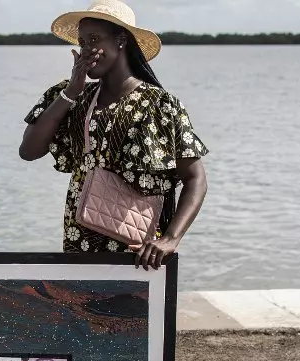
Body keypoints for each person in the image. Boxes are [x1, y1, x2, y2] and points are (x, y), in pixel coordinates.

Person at [19, 0, 209, 270]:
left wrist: (170, 239)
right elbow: (28, 151)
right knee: (83, 309)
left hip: (141, 248)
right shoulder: (69, 96)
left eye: (94, 40)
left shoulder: (160, 105)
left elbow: (196, 179)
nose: (86, 50)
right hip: (81, 237)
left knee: (135, 311)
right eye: (82, 42)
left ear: (120, 41)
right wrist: (71, 92)